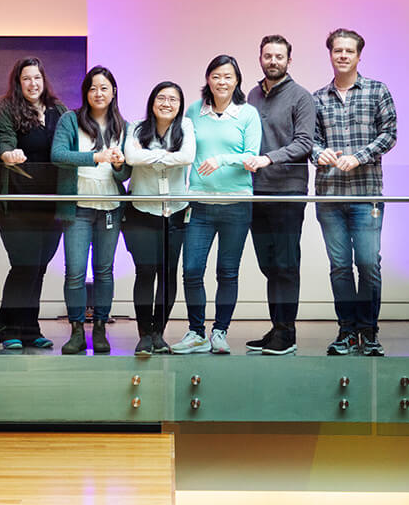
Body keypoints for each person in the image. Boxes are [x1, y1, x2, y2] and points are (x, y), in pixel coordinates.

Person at [312, 28, 397, 356]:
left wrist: (359, 157)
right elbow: (312, 139)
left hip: (366, 194)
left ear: (359, 56)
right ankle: (347, 331)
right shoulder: (318, 98)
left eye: (349, 51)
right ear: (330, 55)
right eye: (337, 50)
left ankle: (369, 331)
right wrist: (318, 152)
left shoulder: (377, 91)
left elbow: (389, 134)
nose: (343, 55)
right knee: (339, 266)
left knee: (368, 263)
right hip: (329, 195)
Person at [172, 55, 262, 355]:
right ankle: (196, 333)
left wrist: (222, 159)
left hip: (237, 205)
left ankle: (220, 332)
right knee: (192, 270)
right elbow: (183, 149)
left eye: (228, 77)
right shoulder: (195, 111)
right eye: (216, 76)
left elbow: (252, 156)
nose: (222, 82)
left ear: (237, 81)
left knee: (227, 271)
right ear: (207, 79)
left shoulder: (248, 113)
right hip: (199, 204)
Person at [243, 35, 316, 356]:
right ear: (260, 58)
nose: (273, 61)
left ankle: (287, 333)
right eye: (268, 55)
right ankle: (277, 328)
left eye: (279, 56)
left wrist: (269, 158)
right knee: (268, 264)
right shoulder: (252, 95)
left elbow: (304, 143)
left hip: (287, 192)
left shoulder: (302, 98)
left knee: (286, 264)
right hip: (256, 193)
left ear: (289, 60)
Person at [51, 66, 130, 355]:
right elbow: (58, 155)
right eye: (93, 87)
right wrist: (97, 156)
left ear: (113, 92)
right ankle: (74, 330)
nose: (99, 93)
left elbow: (125, 174)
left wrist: (120, 164)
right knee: (74, 271)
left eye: (104, 88)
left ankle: (99, 329)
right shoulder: (70, 120)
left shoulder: (124, 126)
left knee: (104, 272)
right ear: (86, 92)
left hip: (110, 207)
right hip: (78, 207)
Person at [0, 57, 68, 350]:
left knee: (39, 267)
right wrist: (8, 153)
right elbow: (5, 142)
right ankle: (8, 327)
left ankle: (30, 327)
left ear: (43, 80)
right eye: (26, 79)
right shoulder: (7, 108)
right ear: (18, 82)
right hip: (17, 202)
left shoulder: (58, 110)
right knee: (23, 264)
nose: (32, 84)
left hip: (51, 204)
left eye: (37, 78)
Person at [122, 81, 195, 355]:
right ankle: (143, 334)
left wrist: (150, 157)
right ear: (152, 102)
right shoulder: (137, 128)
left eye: (173, 99)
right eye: (161, 98)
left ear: (180, 104)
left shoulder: (185, 126)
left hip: (174, 213)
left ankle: (158, 333)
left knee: (168, 274)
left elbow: (188, 157)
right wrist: (166, 156)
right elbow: (131, 157)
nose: (167, 103)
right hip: (142, 212)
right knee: (145, 272)